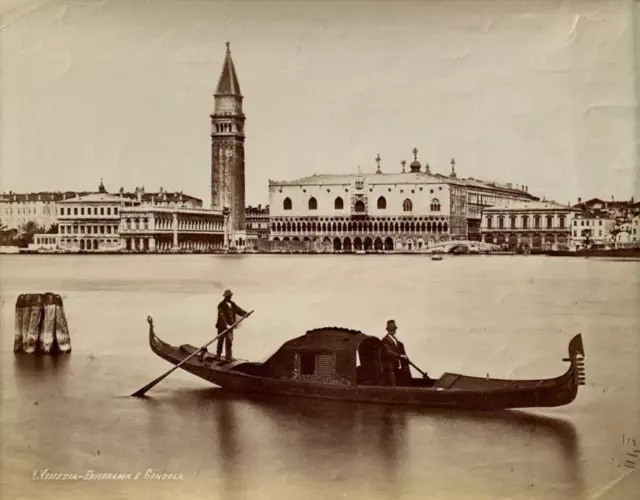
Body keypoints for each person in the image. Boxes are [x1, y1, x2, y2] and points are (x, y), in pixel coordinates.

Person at [214, 289, 249, 361]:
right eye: (229, 296)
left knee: (229, 341)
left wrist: (245, 313)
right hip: (222, 326)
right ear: (225, 296)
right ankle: (218, 356)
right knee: (220, 341)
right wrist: (226, 324)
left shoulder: (232, 304)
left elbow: (238, 310)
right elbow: (222, 315)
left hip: (230, 326)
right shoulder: (221, 305)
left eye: (230, 296)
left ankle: (228, 357)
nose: (230, 297)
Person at [381, 319, 410, 386]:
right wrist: (399, 355)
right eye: (391, 329)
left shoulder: (396, 340)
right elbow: (388, 351)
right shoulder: (385, 340)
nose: (393, 331)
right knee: (392, 384)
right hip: (390, 368)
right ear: (388, 330)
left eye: (394, 329)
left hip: (396, 367)